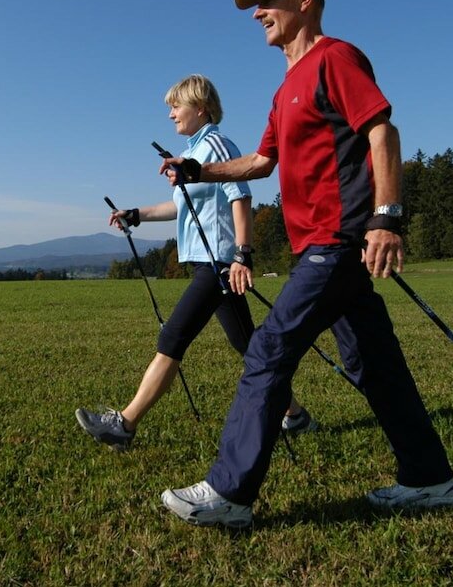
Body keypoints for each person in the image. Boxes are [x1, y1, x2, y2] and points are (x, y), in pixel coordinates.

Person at [159, 0, 453, 528]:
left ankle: (229, 493)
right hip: (319, 247)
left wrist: (386, 217)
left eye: (267, 1)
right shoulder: (285, 88)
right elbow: (261, 162)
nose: (258, 15)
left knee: (268, 351)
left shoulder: (335, 58)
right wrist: (196, 171)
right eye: (254, 6)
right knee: (374, 364)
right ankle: (430, 479)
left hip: (339, 242)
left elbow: (382, 130)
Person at [75, 74, 318, 451]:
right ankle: (295, 415)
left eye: (177, 106)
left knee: (173, 337)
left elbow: (241, 196)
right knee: (248, 344)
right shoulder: (196, 152)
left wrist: (242, 255)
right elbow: (182, 206)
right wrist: (136, 214)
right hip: (213, 262)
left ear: (200, 108)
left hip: (219, 263)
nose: (171, 114)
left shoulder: (217, 146)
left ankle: (123, 424)